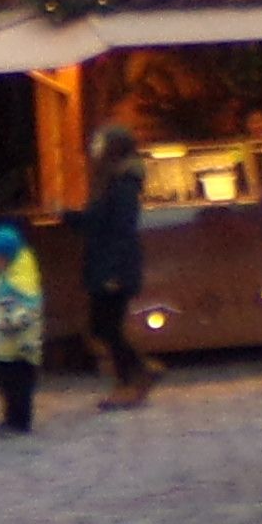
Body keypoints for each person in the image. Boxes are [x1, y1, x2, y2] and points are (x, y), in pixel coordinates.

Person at [80, 120, 154, 407]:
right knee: (103, 326)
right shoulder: (112, 180)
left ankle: (130, 380)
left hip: (114, 266)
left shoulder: (122, 184)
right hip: (108, 262)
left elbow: (122, 228)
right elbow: (100, 221)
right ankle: (136, 374)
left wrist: (114, 272)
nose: (94, 148)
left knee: (107, 327)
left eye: (100, 143)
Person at [0, 222, 47, 435]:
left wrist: (5, 324)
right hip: (3, 345)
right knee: (6, 384)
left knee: (19, 386)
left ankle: (20, 422)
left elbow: (28, 311)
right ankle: (10, 418)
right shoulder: (0, 276)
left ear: (6, 256)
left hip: (21, 346)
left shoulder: (21, 281)